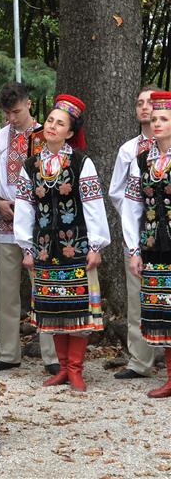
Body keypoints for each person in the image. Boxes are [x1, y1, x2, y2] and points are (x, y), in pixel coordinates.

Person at [14, 94, 110, 392]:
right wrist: (27, 248)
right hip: (44, 248)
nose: (52, 127)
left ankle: (76, 369)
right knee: (54, 309)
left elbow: (93, 205)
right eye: (50, 121)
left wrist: (96, 245)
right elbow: (24, 207)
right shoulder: (30, 166)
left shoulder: (82, 162)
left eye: (60, 123)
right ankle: (62, 369)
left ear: (70, 132)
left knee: (77, 309)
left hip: (77, 247)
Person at [0, 82, 59, 375]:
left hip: (39, 224)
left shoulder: (48, 136)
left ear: (29, 104)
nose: (11, 118)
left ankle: (52, 355)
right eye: (7, 113)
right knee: (6, 291)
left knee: (43, 290)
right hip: (5, 222)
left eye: (16, 111)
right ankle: (9, 352)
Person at [109, 85, 162, 380]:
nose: (145, 108)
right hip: (140, 234)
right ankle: (140, 360)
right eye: (140, 102)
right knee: (137, 297)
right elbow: (117, 192)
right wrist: (137, 217)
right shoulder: (130, 149)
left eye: (151, 103)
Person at [122, 91, 171, 398]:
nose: (156, 124)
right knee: (164, 314)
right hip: (154, 246)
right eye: (153, 119)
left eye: (164, 119)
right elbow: (131, 206)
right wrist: (134, 250)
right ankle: (170, 378)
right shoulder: (142, 160)